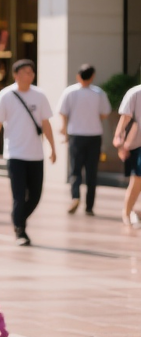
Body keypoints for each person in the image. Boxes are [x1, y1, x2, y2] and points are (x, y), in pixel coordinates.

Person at [0, 59, 56, 247]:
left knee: (35, 195)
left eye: (31, 72)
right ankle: (20, 230)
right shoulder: (6, 95)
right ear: (16, 75)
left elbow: (46, 124)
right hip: (15, 154)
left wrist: (52, 148)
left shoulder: (40, 95)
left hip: (36, 154)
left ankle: (18, 217)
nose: (29, 75)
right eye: (25, 72)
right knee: (18, 195)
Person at [57, 64, 111, 215]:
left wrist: (64, 129)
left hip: (76, 135)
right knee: (92, 172)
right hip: (94, 135)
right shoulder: (98, 93)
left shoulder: (70, 91)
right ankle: (89, 206)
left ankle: (75, 196)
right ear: (92, 76)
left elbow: (63, 112)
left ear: (78, 75)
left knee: (75, 169)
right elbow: (105, 113)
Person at [114, 80, 141, 228]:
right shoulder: (135, 93)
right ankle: (127, 212)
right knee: (138, 180)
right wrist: (119, 139)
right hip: (138, 144)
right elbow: (124, 119)